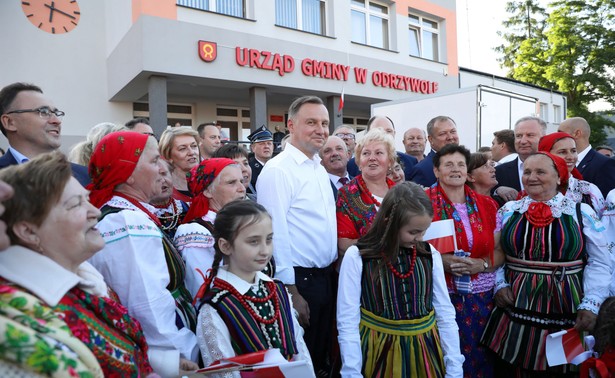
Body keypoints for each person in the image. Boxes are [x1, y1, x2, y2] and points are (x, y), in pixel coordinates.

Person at [0, 151, 156, 376]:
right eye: (76, 205)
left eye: (88, 200)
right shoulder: (23, 313)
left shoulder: (88, 281)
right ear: (28, 231)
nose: (96, 211)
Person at [481, 152, 611, 376]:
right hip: (516, 305)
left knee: (561, 369)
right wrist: (500, 284)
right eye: (528, 171)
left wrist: (591, 302)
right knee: (514, 367)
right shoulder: (509, 210)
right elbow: (495, 253)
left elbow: (600, 261)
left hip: (566, 305)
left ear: (559, 177)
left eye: (540, 171)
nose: (532, 177)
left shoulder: (581, 212)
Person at [87, 131, 198, 377]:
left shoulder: (125, 215)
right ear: (128, 175)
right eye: (154, 160)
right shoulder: (126, 222)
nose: (162, 168)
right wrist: (180, 356)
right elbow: (147, 304)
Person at [337, 182, 464, 377]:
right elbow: (347, 320)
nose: (420, 238)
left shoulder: (429, 254)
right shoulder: (358, 256)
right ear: (389, 221)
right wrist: (352, 372)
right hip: (377, 350)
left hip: (425, 350)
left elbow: (445, 313)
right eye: (413, 232)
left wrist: (454, 366)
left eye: (424, 231)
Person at [257, 95, 337, 375]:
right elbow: (274, 234)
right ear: (291, 125)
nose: (321, 129)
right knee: (306, 361)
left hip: (326, 278)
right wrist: (291, 291)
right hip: (301, 284)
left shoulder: (317, 166)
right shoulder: (278, 170)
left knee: (323, 355)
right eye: (311, 122)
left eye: (325, 123)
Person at [195, 200, 314, 376]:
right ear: (225, 246)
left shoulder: (277, 290)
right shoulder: (216, 307)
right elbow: (225, 373)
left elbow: (299, 350)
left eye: (269, 239)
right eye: (253, 242)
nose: (265, 250)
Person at [426, 144, 504, 377]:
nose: (455, 169)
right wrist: (440, 260)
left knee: (482, 360)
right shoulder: (422, 203)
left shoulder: (488, 205)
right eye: (448, 164)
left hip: (483, 300)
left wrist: (483, 264)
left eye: (461, 164)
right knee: (445, 359)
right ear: (436, 171)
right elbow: (410, 246)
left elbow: (500, 250)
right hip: (439, 297)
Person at [173, 158, 247, 299]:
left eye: (241, 181)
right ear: (208, 191)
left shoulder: (239, 222)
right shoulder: (196, 231)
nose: (242, 188)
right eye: (231, 182)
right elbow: (203, 291)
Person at [0, 82, 90, 186]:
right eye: (43, 112)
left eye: (56, 113)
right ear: (9, 122)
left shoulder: (86, 176)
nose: (56, 121)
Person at [336, 128, 396, 256]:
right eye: (366, 153)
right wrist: (383, 242)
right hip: (364, 268)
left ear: (390, 161)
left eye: (379, 153)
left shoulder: (400, 192)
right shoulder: (347, 195)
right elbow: (343, 244)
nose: (372, 158)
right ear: (358, 162)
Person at [538, 132, 605, 216]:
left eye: (573, 151)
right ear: (546, 155)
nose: (570, 157)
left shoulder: (589, 191)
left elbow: (601, 224)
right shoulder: (533, 188)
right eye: (562, 152)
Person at [559, 117, 615, 197]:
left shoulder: (604, 164)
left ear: (577, 134)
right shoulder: (562, 162)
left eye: (561, 133)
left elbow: (608, 202)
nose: (557, 137)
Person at [494, 116, 547, 201]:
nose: (523, 141)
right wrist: (497, 191)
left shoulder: (556, 169)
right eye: (518, 136)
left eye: (530, 135)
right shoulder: (498, 172)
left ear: (544, 137)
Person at [347, 116, 417, 179]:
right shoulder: (352, 165)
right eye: (377, 131)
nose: (383, 135)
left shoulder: (410, 162)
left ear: (394, 133)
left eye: (388, 131)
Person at [409, 116, 459, 187]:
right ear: (431, 139)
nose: (450, 137)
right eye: (443, 133)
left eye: (453, 132)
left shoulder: (468, 162)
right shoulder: (423, 169)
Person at [159, 126, 200, 203]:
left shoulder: (210, 183)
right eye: (182, 149)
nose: (191, 152)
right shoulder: (162, 188)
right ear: (168, 155)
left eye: (194, 146)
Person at [151, 159, 188, 238]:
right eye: (155, 176)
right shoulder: (142, 214)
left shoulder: (185, 207)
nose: (162, 180)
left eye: (164, 174)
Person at [248, 125, 274, 190]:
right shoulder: (249, 168)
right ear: (253, 148)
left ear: (273, 147)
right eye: (262, 143)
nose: (266, 146)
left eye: (269, 143)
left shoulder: (279, 165)